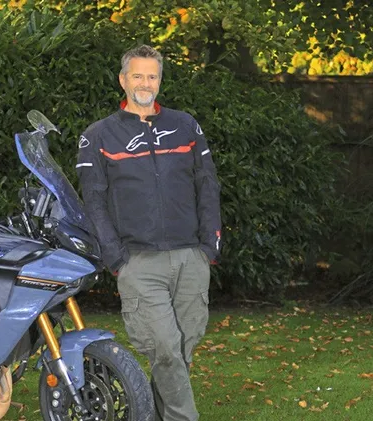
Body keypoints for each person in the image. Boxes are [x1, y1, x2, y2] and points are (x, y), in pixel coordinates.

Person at [76, 45, 221, 421]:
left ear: (160, 80)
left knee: (182, 349)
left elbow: (207, 185)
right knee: (165, 349)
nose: (145, 83)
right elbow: (94, 202)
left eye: (152, 76)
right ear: (123, 80)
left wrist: (209, 246)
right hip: (138, 261)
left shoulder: (185, 126)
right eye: (137, 76)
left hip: (190, 256)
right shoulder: (98, 136)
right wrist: (116, 257)